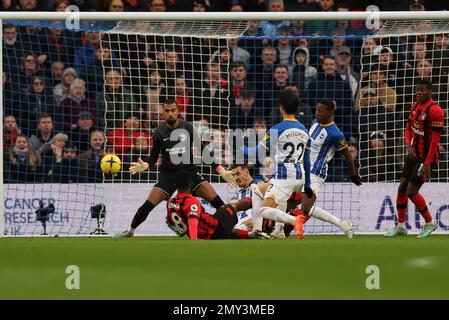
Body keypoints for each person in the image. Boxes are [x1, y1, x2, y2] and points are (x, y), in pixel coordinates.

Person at [113, 100, 236, 238]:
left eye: (173, 110)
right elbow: (153, 157)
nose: (170, 113)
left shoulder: (188, 127)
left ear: (178, 112)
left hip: (189, 173)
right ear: (162, 114)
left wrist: (220, 170)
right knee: (147, 205)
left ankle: (234, 229)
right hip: (169, 175)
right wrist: (146, 165)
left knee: (218, 202)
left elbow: (203, 151)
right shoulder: (159, 132)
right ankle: (130, 231)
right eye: (167, 111)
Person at [242, 90, 311, 239]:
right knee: (272, 195)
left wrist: (241, 147)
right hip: (301, 177)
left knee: (262, 210)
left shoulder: (277, 129)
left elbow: (256, 152)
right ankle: (278, 231)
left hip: (284, 177)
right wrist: (309, 184)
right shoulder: (305, 130)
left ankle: (294, 220)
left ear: (281, 107)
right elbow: (307, 160)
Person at [385, 79, 444, 238]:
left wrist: (427, 163)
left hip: (427, 158)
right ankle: (401, 226)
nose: (419, 93)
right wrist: (408, 146)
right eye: (417, 90)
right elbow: (408, 128)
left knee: (411, 191)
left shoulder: (435, 110)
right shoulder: (415, 106)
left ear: (430, 91)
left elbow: (435, 141)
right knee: (402, 187)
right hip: (413, 154)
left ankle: (430, 222)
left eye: (422, 90)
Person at [294, 100, 362, 238]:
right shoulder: (314, 122)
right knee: (287, 201)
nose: (316, 113)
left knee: (306, 208)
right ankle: (279, 231)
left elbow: (347, 156)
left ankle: (342, 224)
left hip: (316, 172)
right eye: (316, 110)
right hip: (301, 168)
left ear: (330, 113)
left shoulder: (335, 134)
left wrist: (353, 174)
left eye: (320, 111)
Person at [166, 170, 238, 240]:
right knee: (231, 206)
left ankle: (248, 234)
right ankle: (244, 222)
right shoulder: (191, 201)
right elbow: (192, 220)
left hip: (206, 231)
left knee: (231, 232)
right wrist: (194, 238)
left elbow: (169, 221)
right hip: (216, 230)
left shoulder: (170, 202)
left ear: (175, 185)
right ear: (191, 183)